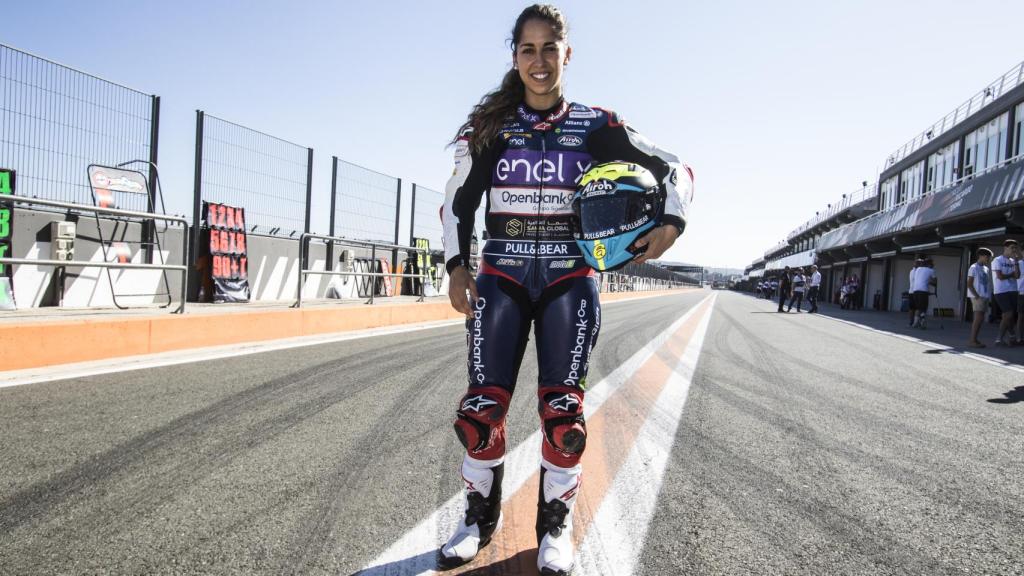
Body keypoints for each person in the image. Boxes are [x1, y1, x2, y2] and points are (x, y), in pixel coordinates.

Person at [438, 5, 691, 572]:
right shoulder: (489, 128)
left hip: (569, 280)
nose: (539, 61)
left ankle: (555, 528)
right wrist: (457, 266)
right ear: (514, 57)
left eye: (549, 48)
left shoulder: (598, 126)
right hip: (500, 278)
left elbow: (675, 169)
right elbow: (457, 199)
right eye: (527, 50)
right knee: (481, 412)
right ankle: (478, 520)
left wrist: (669, 224)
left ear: (567, 54)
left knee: (563, 416)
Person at [991, 239, 1020, 346]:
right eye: (1012, 247)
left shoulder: (1013, 261)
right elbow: (1000, 276)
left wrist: (1016, 262)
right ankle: (1002, 337)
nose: (1014, 250)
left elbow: (1017, 276)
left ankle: (1007, 338)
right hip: (1001, 291)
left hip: (1013, 290)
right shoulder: (997, 260)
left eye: (1015, 248)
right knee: (1008, 314)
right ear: (1005, 248)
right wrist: (1011, 274)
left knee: (1008, 316)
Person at [967, 248, 993, 348]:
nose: (988, 259)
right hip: (978, 297)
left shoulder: (986, 268)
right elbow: (969, 284)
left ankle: (975, 339)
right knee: (978, 319)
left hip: (984, 296)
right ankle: (972, 340)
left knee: (980, 319)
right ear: (981, 256)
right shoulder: (973, 267)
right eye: (987, 257)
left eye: (989, 257)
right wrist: (976, 296)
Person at [909, 257, 936, 328]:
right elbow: (934, 282)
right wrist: (932, 282)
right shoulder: (931, 270)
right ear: (929, 264)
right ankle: (921, 322)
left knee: (918, 308)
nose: (934, 265)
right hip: (923, 291)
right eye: (932, 263)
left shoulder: (918, 269)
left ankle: (916, 322)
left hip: (915, 291)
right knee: (923, 308)